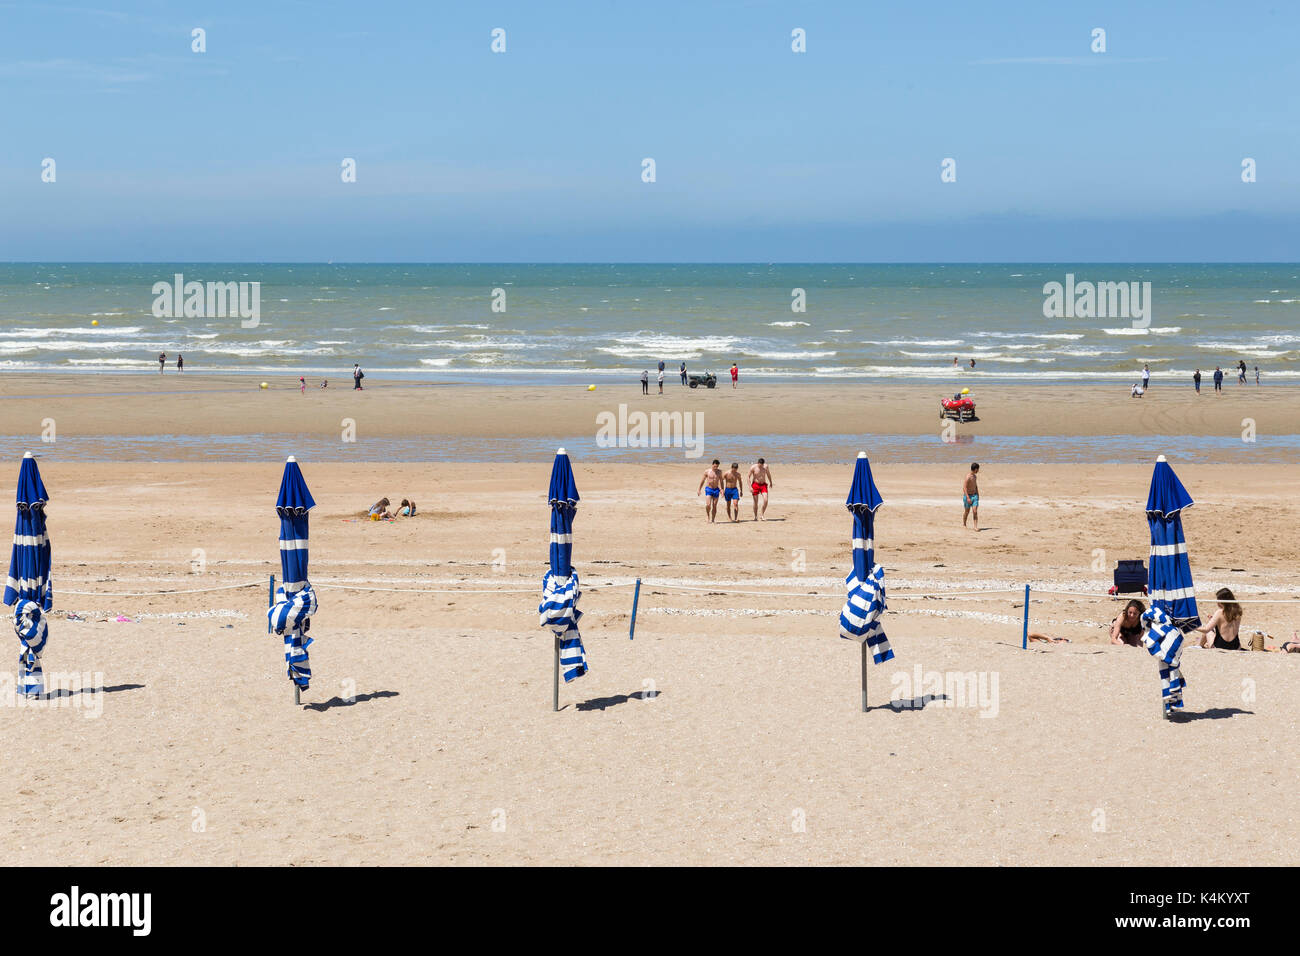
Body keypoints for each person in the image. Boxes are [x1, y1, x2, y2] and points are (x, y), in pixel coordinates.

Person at [962, 463, 980, 530]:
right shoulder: (968, 477)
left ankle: (975, 527)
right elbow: (964, 487)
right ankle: (964, 524)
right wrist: (968, 497)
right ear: (975, 469)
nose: (978, 470)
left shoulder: (975, 476)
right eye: (978, 469)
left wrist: (978, 494)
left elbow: (975, 485)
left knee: (975, 511)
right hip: (968, 496)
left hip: (974, 495)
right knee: (967, 512)